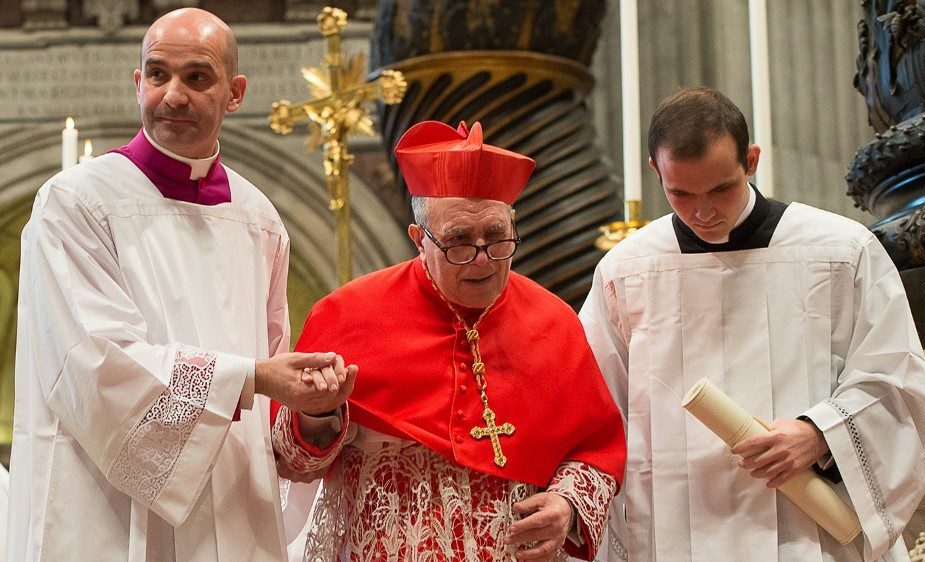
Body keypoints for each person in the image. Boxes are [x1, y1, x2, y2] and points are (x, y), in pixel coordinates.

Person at [7, 8, 353, 561]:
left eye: (197, 77)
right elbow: (98, 368)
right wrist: (253, 378)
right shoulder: (75, 205)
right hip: (108, 519)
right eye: (157, 74)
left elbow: (271, 408)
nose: (173, 95)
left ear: (235, 92)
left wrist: (311, 413)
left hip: (235, 515)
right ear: (136, 82)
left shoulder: (258, 219)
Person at [580, 86, 925, 561]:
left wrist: (820, 434)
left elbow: (899, 377)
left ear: (752, 160)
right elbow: (594, 409)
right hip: (674, 531)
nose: (703, 212)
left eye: (721, 188)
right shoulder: (626, 272)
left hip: (808, 528)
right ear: (656, 172)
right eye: (680, 193)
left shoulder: (840, 252)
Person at [272, 120, 627, 561]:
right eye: (459, 241)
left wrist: (566, 506)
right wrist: (318, 412)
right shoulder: (348, 316)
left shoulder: (553, 322)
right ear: (419, 240)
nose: (482, 258)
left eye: (497, 238)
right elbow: (290, 460)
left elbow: (596, 449)